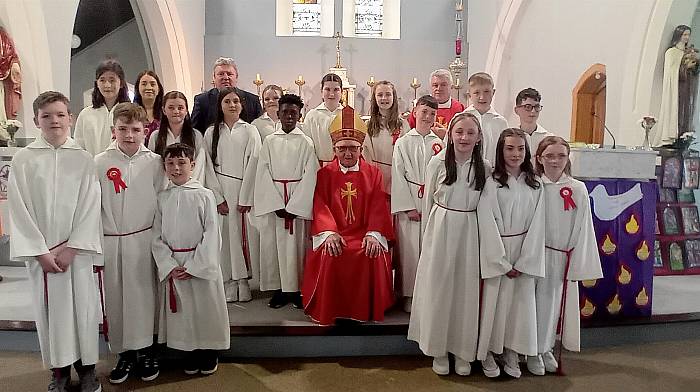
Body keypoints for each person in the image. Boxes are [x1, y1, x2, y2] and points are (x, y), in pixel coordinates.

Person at [8, 91, 102, 391]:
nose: (54, 121)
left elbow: (91, 204)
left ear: (70, 118)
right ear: (36, 121)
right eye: (46, 115)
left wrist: (73, 246)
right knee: (51, 315)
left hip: (76, 253)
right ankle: (59, 372)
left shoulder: (84, 158)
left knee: (83, 311)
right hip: (44, 256)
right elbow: (19, 209)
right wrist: (40, 252)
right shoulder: (24, 159)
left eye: (60, 114)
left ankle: (87, 369)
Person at [408, 112, 500, 377]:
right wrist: (428, 238)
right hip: (441, 228)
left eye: (471, 133)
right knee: (440, 288)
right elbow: (428, 206)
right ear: (450, 134)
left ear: (479, 137)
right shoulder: (437, 163)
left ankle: (462, 350)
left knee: (465, 291)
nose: (464, 137)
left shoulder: (484, 166)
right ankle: (438, 349)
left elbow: (486, 206)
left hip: (470, 231)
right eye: (459, 132)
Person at [301, 105, 394, 325]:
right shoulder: (324, 174)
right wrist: (329, 232)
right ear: (334, 149)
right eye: (342, 149)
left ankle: (369, 307)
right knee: (330, 252)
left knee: (371, 251)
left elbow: (378, 204)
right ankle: (329, 308)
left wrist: (373, 233)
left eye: (353, 148)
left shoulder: (373, 173)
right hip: (336, 233)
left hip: (364, 233)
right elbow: (320, 205)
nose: (348, 154)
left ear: (361, 149)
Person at [95, 102, 163, 384]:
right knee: (117, 298)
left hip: (144, 237)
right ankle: (123, 353)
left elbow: (162, 201)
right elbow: (93, 206)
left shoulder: (155, 162)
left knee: (145, 298)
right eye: (123, 129)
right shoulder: (99, 162)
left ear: (146, 131)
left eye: (136, 129)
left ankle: (147, 350)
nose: (130, 135)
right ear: (114, 130)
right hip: (112, 240)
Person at [152, 143, 230, 376]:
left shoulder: (204, 195)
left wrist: (196, 265)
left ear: (193, 165)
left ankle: (208, 352)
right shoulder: (162, 198)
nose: (176, 168)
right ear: (164, 167)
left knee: (205, 309)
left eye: (182, 163)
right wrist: (169, 264)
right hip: (175, 264)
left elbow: (211, 233)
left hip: (199, 264)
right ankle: (189, 351)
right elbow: (156, 235)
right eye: (170, 164)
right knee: (184, 313)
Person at [530, 136, 603, 374]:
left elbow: (584, 227)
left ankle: (545, 348)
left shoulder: (576, 189)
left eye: (561, 155)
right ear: (539, 159)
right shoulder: (532, 185)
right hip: (531, 254)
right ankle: (527, 349)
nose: (555, 161)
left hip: (559, 255)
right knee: (528, 303)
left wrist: (576, 259)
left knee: (550, 305)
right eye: (549, 156)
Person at [476, 128, 545, 379]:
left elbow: (539, 224)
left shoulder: (535, 184)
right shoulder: (492, 183)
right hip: (500, 251)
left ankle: (513, 350)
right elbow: (486, 220)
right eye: (509, 148)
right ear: (500, 150)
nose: (515, 154)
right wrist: (501, 261)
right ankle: (490, 351)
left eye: (520, 148)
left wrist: (526, 259)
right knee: (496, 304)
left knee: (520, 306)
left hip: (526, 250)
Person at [255, 94, 319, 309]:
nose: (289, 116)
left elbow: (311, 175)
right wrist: (275, 204)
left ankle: (299, 289)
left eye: (293, 112)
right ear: (278, 114)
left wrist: (295, 206)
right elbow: (262, 172)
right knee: (276, 247)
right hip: (276, 199)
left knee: (297, 248)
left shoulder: (306, 142)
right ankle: (281, 289)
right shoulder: (270, 141)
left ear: (300, 115)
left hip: (296, 200)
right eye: (285, 112)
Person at [204, 87, 261, 302]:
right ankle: (228, 280)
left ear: (242, 104)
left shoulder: (249, 131)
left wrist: (245, 197)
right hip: (220, 188)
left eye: (236, 101)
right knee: (224, 237)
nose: (232, 105)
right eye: (227, 101)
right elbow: (208, 166)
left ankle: (243, 280)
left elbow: (254, 162)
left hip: (242, 190)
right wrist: (217, 197)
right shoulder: (212, 132)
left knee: (242, 236)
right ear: (220, 105)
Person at [391, 95, 444, 313]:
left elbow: (443, 174)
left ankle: (428, 294)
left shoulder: (439, 143)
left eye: (432, 113)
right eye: (424, 112)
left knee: (429, 250)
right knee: (410, 251)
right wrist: (408, 206)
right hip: (411, 200)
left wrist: (436, 203)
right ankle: (408, 295)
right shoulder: (404, 142)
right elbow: (398, 173)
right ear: (415, 112)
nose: (428, 117)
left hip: (432, 201)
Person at [74, 59, 130, 156]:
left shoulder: (130, 113)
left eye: (112, 80)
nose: (107, 85)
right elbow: (79, 147)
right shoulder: (86, 114)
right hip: (92, 168)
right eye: (102, 80)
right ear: (97, 83)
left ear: (121, 83)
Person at [148, 91, 206, 184]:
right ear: (164, 110)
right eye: (171, 108)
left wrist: (189, 184)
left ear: (186, 110)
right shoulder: (155, 136)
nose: (176, 111)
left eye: (180, 108)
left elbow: (200, 165)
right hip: (163, 189)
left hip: (189, 188)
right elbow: (153, 165)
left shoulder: (196, 135)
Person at [191, 57, 262, 133]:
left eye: (229, 74)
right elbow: (194, 132)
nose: (225, 77)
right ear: (214, 78)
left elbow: (259, 129)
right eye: (221, 74)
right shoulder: (202, 100)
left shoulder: (252, 100)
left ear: (236, 77)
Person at [363, 80, 409, 196]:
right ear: (374, 98)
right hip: (375, 175)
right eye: (380, 95)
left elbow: (407, 153)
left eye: (388, 94)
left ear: (394, 97)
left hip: (396, 176)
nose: (384, 98)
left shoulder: (402, 125)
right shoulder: (368, 125)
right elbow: (366, 154)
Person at [654, 25, 695, 146]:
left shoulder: (688, 53)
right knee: (674, 110)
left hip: (685, 88)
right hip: (675, 89)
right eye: (684, 35)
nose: (687, 37)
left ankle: (682, 136)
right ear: (679, 35)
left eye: (688, 35)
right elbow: (670, 72)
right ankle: (670, 135)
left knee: (684, 112)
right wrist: (684, 67)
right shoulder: (671, 52)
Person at [463, 72, 507, 164]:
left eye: (486, 92)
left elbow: (505, 151)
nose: (482, 97)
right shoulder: (460, 119)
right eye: (476, 93)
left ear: (493, 92)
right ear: (469, 95)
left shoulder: (501, 122)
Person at [408, 69, 465, 139]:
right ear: (431, 87)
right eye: (435, 85)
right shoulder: (421, 107)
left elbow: (463, 135)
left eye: (443, 85)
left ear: (451, 87)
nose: (439, 88)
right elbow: (410, 133)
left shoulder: (459, 108)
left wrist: (447, 135)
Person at [302, 73, 344, 166]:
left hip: (343, 168)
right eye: (327, 89)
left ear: (342, 92)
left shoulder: (348, 115)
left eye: (336, 89)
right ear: (321, 92)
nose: (331, 94)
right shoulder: (312, 116)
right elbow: (307, 146)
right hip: (317, 167)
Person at [514, 88, 553, 158]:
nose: (533, 111)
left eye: (537, 107)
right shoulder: (511, 137)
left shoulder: (548, 138)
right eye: (528, 107)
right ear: (517, 110)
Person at [132, 70, 164, 146]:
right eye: (144, 84)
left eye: (152, 84)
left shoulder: (166, 112)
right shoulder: (131, 112)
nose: (149, 87)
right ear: (138, 88)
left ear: (158, 88)